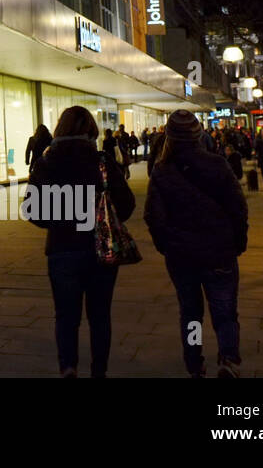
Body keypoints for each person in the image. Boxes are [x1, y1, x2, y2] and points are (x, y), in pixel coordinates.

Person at [26, 105, 135, 378]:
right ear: (91, 130)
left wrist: (58, 220)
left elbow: (32, 210)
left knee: (66, 316)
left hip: (62, 249)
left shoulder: (45, 163)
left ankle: (68, 367)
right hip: (100, 249)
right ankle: (99, 371)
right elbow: (127, 204)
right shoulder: (102, 161)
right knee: (100, 317)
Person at [145, 110, 248, 377]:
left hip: (182, 256)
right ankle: (228, 359)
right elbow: (237, 207)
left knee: (191, 313)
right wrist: (237, 241)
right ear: (198, 135)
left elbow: (153, 216)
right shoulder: (217, 164)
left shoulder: (161, 170)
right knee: (225, 311)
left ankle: (194, 361)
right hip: (219, 252)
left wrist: (165, 245)